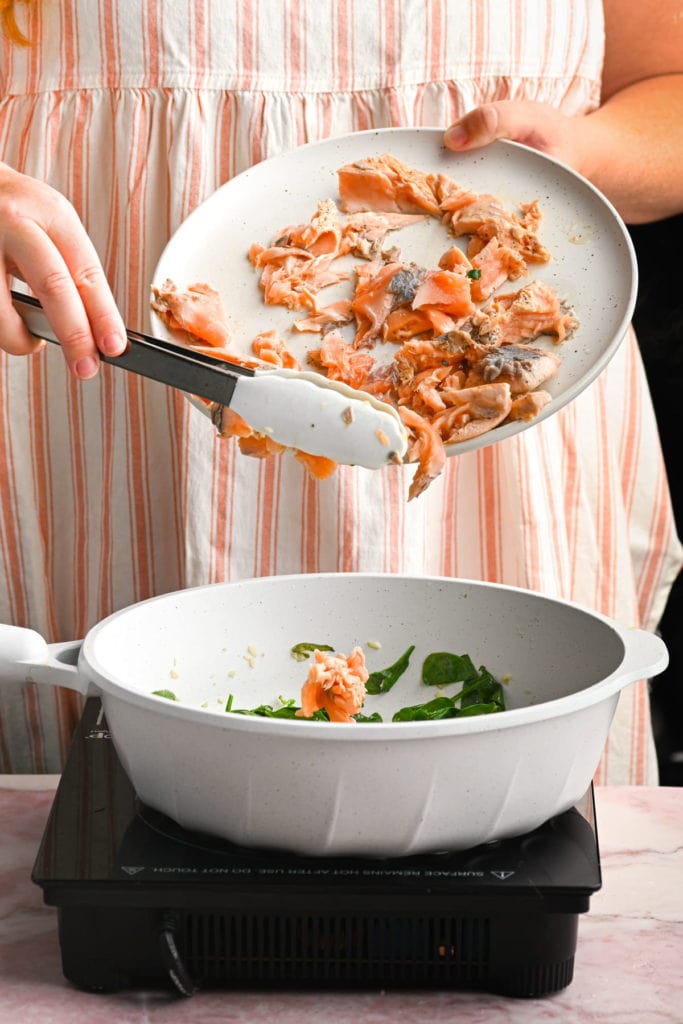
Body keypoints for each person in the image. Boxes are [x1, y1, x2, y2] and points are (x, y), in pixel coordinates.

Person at [0, 0, 681, 780]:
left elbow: (669, 86)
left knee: (501, 794)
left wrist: (589, 156)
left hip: (501, 412)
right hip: (103, 381)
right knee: (100, 813)